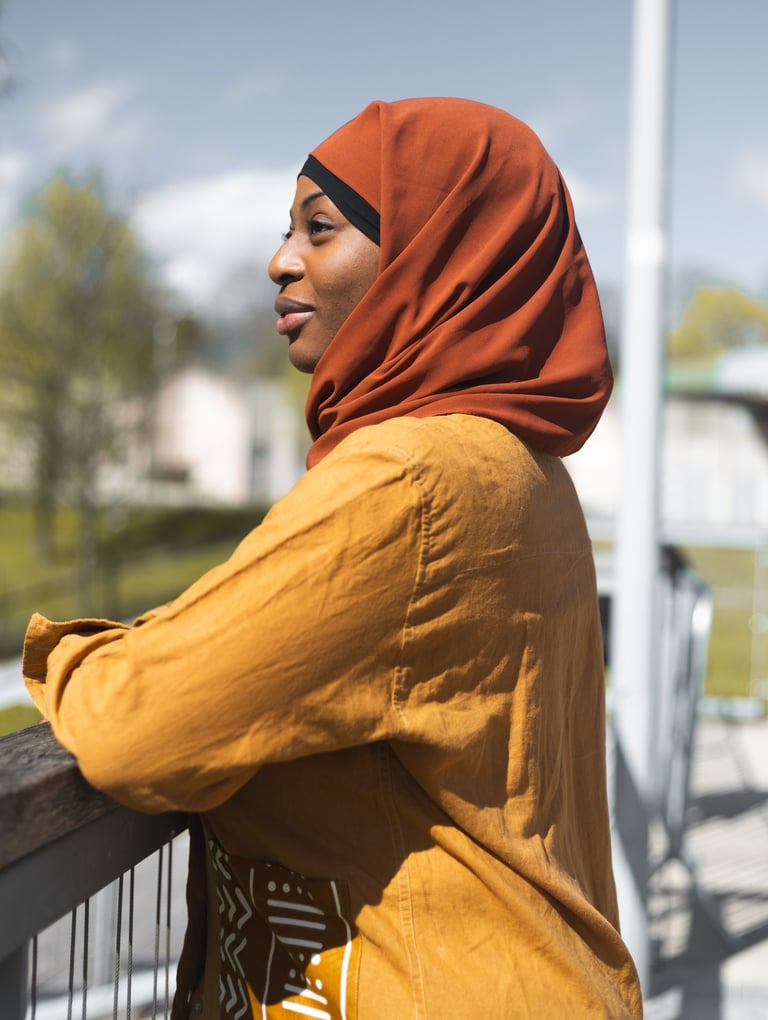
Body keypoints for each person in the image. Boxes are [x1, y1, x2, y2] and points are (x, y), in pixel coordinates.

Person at [24, 98, 643, 1018]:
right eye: (288, 229)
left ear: (443, 257)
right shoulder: (515, 465)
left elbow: (134, 728)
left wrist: (76, 653)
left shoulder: (409, 478)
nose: (281, 259)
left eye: (321, 227)